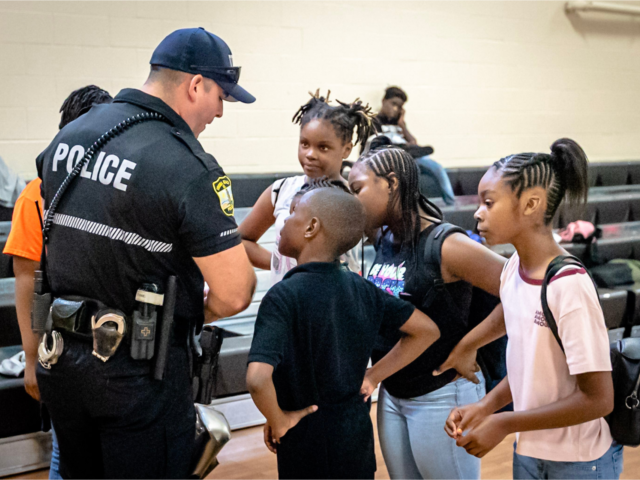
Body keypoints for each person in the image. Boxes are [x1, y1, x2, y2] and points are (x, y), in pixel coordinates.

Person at [34, 27, 257, 479]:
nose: (218, 112)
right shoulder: (185, 165)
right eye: (220, 97)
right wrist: (184, 318)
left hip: (61, 362)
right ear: (196, 85)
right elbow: (235, 293)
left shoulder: (71, 136)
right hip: (137, 375)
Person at [444, 139, 622, 479]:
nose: (478, 212)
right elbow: (530, 368)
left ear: (531, 204)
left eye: (489, 202)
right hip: (528, 450)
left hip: (581, 461)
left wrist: (504, 422)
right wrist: (485, 408)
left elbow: (599, 400)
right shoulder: (513, 269)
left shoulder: (568, 285)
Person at [246, 187, 441, 479]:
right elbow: (427, 331)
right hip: (354, 442)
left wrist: (278, 419)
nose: (284, 221)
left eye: (293, 213)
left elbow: (257, 378)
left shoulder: (281, 297)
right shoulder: (363, 289)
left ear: (312, 227)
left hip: (304, 444)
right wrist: (373, 376)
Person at [347, 143, 506, 479]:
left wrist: (469, 345)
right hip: (393, 392)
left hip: (442, 394)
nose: (352, 200)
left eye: (357, 189)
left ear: (391, 183)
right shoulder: (386, 237)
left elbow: (522, 291)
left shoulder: (448, 244)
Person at [3, 84, 113, 480]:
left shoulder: (118, 191)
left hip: (109, 347)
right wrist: (31, 359)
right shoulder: (36, 194)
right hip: (62, 350)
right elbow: (28, 280)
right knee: (69, 454)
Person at [239, 91, 373, 285]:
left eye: (323, 147)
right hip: (289, 305)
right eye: (304, 144)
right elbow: (242, 241)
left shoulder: (357, 199)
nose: (310, 154)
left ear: (347, 148)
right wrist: (280, 263)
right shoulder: (281, 190)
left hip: (338, 307)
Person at [373, 86, 455, 205]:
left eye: (399, 107)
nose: (395, 109)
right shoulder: (375, 121)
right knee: (412, 168)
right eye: (393, 104)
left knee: (438, 168)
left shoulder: (399, 123)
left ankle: (451, 204)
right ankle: (413, 208)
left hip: (412, 153)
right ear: (384, 101)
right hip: (395, 155)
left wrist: (402, 124)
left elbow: (413, 141)